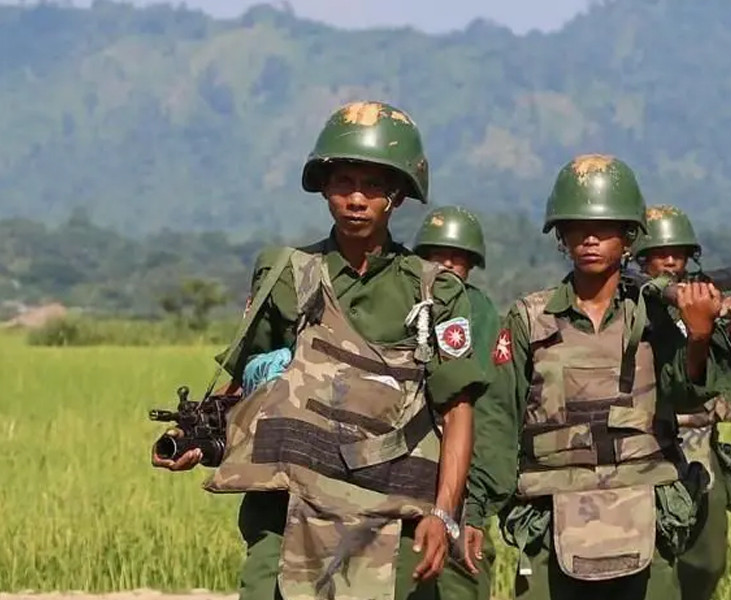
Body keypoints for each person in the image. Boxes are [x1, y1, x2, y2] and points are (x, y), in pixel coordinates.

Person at [151, 100, 488, 600]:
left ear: (397, 196)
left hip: (391, 514)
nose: (356, 199)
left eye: (373, 186)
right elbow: (245, 382)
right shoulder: (285, 276)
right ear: (324, 189)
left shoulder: (434, 291)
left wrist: (443, 514)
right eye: (343, 183)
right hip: (287, 509)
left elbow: (458, 410)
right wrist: (199, 435)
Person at [462, 154, 731, 600]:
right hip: (551, 513)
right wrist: (474, 512)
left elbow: (689, 397)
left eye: (605, 227)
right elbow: (498, 421)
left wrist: (697, 337)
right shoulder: (528, 318)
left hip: (646, 513)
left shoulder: (657, 315)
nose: (590, 238)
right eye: (576, 227)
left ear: (629, 236)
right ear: (560, 235)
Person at [631, 204, 731, 600]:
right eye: (661, 252)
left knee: (707, 562)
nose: (671, 260)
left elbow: (730, 378)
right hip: (646, 446)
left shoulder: (703, 302)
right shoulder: (631, 304)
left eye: (680, 252)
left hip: (699, 449)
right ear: (641, 257)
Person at [412, 205, 501, 600]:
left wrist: (475, 506)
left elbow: (492, 412)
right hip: (405, 474)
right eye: (436, 255)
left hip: (461, 484)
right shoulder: (407, 303)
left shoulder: (477, 312)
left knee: (461, 582)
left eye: (458, 257)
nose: (446, 265)